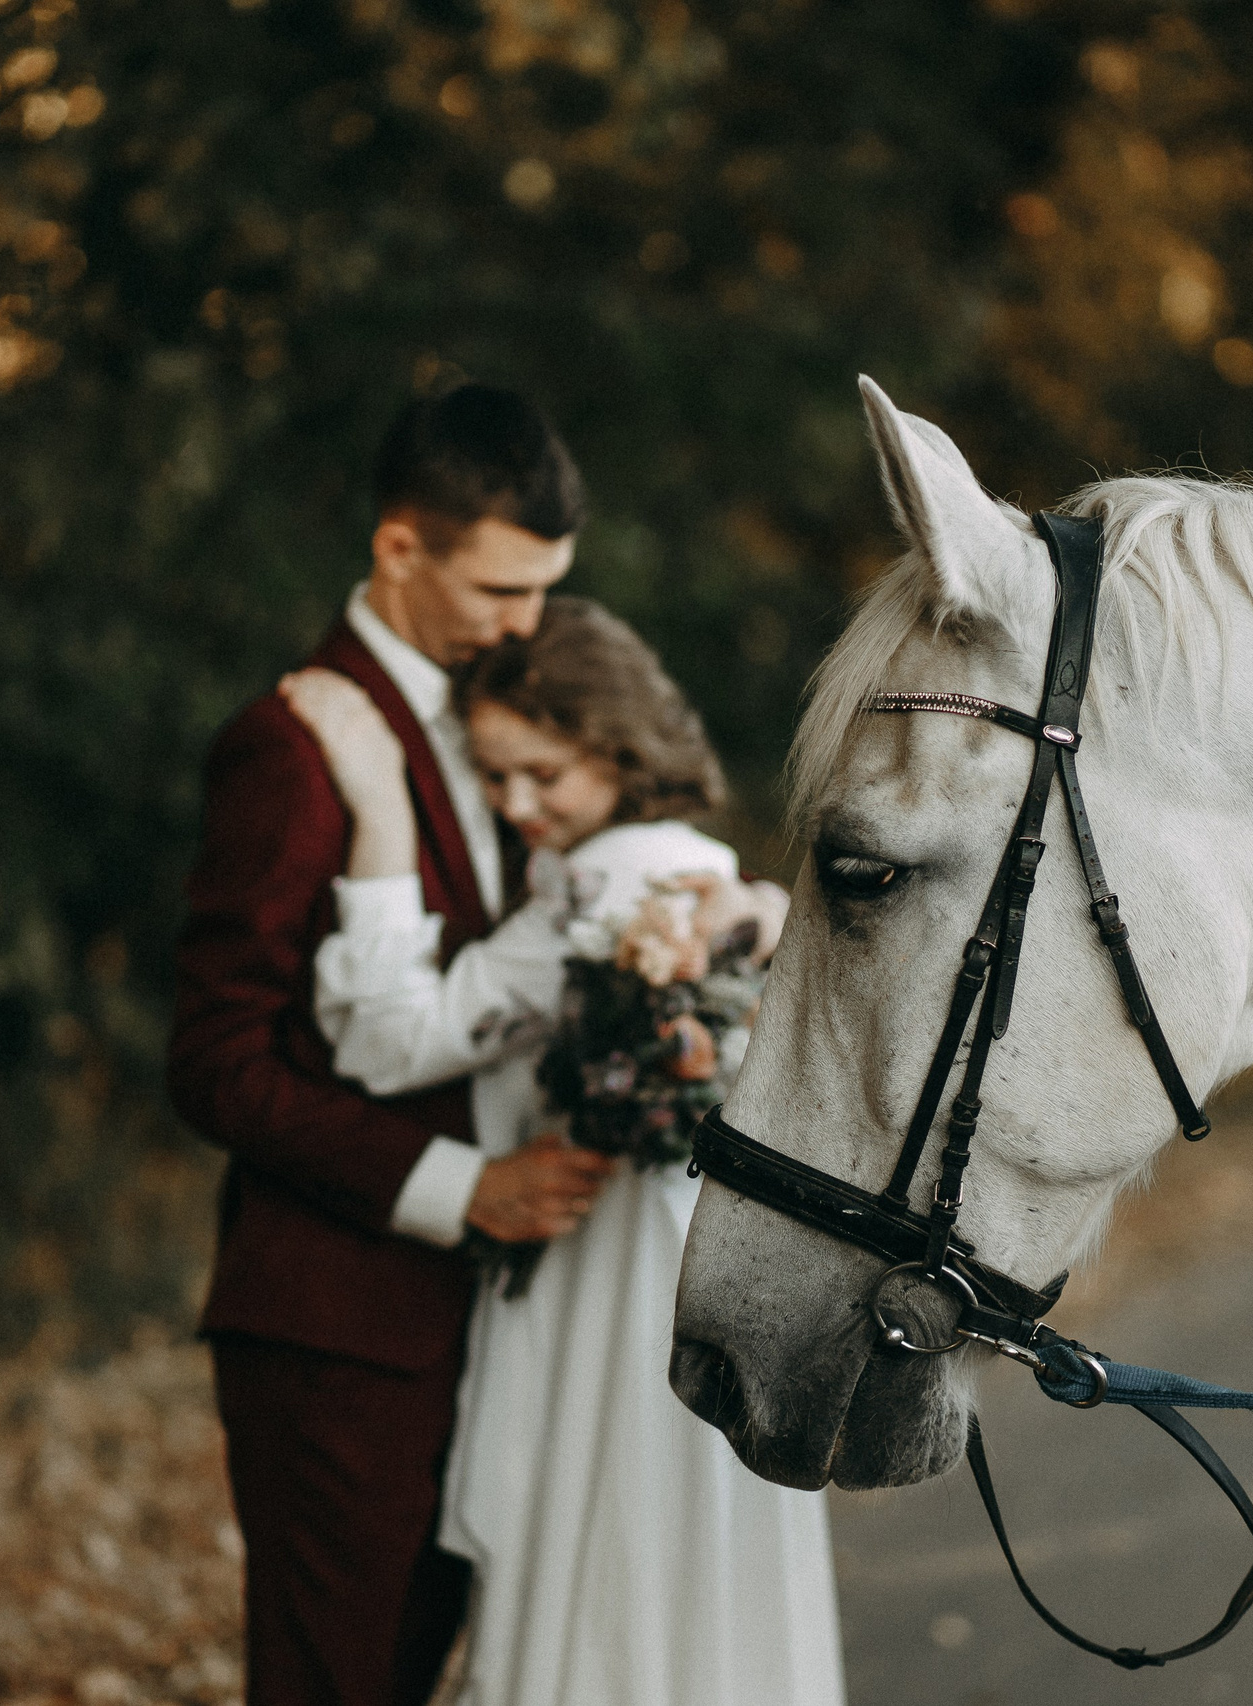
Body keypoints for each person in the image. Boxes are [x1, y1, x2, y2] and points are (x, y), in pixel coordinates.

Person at [277, 598, 845, 1706]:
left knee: (613, 1543)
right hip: (679, 1253)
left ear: (620, 749)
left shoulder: (614, 889)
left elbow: (391, 1041)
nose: (514, 803)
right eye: (494, 778)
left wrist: (381, 814)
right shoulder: (690, 869)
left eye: (542, 773)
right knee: (680, 1560)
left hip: (622, 1274)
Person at [167, 384, 617, 1706]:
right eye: (499, 587)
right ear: (399, 547)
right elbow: (215, 1060)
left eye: (546, 587)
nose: (528, 622)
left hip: (493, 1321)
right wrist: (456, 1189)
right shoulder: (291, 745)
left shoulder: (510, 724)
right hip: (339, 1329)